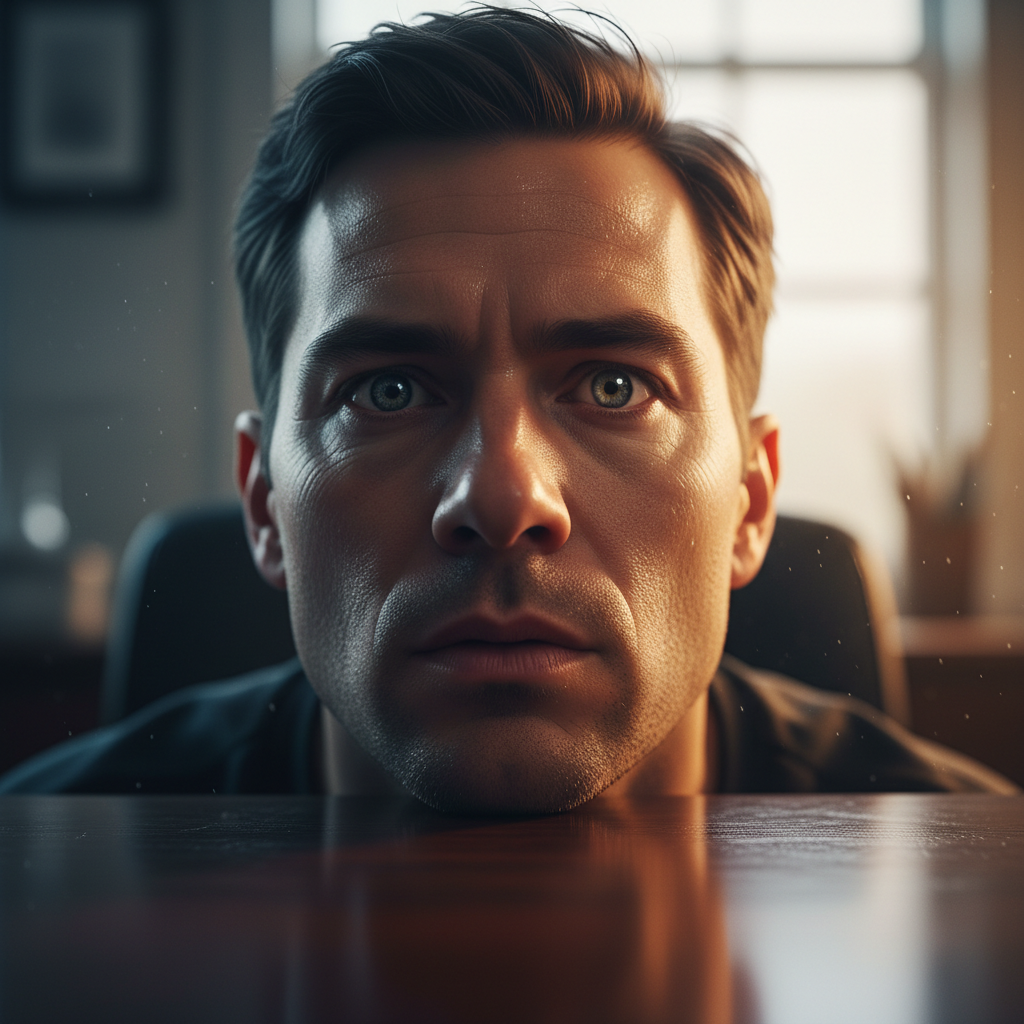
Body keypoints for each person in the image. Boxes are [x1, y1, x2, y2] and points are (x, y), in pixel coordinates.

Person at [0, 8, 1015, 804]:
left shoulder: (984, 890)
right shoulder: (37, 879)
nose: (502, 496)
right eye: (389, 391)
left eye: (615, 386)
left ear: (749, 501)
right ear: (265, 503)